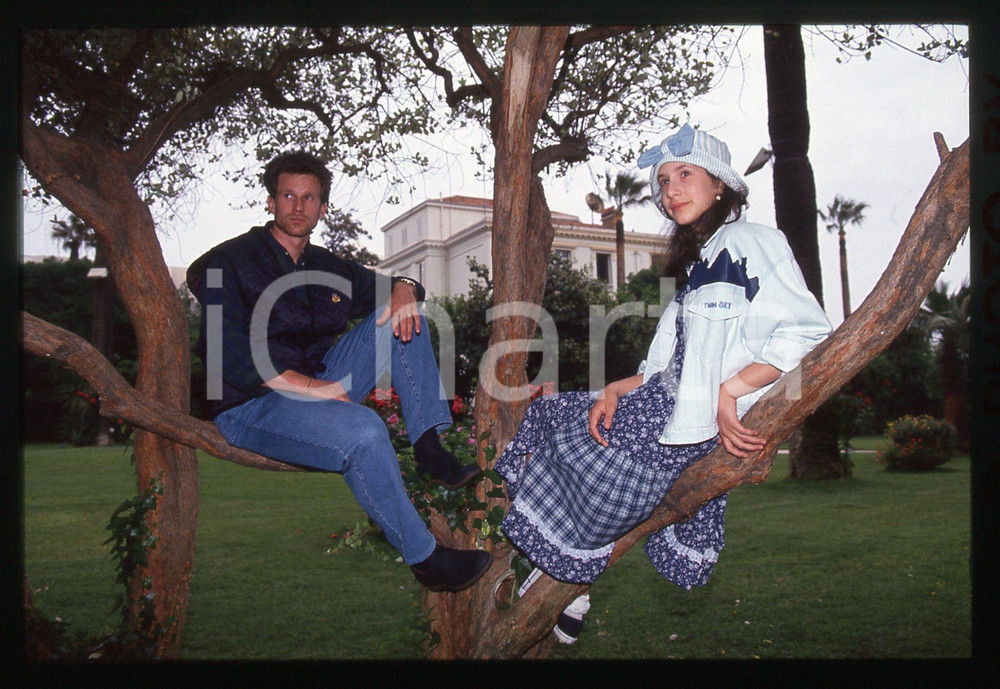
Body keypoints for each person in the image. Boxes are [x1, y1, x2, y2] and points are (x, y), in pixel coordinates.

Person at [496, 124, 831, 610]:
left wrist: (729, 391)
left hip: (685, 420)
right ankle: (566, 576)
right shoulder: (702, 264)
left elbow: (806, 332)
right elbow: (669, 367)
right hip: (667, 402)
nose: (671, 189)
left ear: (720, 185)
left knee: (587, 448)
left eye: (684, 174)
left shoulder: (751, 240)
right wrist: (614, 388)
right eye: (664, 182)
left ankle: (567, 574)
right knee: (549, 416)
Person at [186, 150, 490, 592]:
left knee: (404, 316)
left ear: (322, 208)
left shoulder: (326, 266)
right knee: (365, 430)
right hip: (250, 403)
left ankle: (429, 448)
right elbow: (225, 354)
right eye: (288, 195)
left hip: (318, 380)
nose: (297, 206)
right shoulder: (228, 261)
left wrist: (405, 288)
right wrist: (312, 389)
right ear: (271, 202)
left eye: (309, 198)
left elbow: (393, 289)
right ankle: (427, 560)